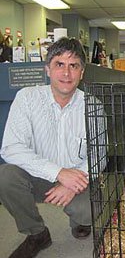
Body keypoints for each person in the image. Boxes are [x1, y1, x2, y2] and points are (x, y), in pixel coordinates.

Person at [0, 37, 92, 258]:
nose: (67, 73)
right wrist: (59, 173)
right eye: (59, 64)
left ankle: (79, 221)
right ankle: (37, 233)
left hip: (76, 180)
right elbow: (10, 148)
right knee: (5, 176)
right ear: (47, 70)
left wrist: (72, 184)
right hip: (35, 176)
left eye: (74, 65)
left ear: (82, 72)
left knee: (89, 211)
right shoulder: (27, 98)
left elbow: (99, 154)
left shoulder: (92, 106)